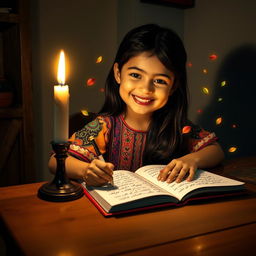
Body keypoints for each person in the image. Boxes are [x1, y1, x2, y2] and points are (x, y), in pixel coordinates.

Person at [48, 24, 224, 186]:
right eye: (136, 75)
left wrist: (192, 160)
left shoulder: (177, 126)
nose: (145, 89)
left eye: (159, 81)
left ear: (173, 87)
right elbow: (55, 161)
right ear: (118, 74)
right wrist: (86, 171)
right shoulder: (104, 126)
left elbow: (215, 150)